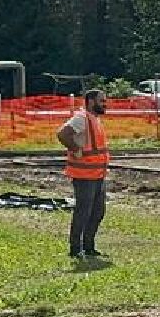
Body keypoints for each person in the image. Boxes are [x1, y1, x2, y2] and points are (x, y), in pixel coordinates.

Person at [56, 88, 110, 260]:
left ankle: (88, 246)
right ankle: (75, 248)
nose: (105, 104)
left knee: (98, 211)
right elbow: (62, 134)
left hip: (97, 174)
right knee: (83, 211)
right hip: (84, 175)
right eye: (102, 101)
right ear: (91, 102)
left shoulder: (95, 119)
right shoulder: (82, 118)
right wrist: (75, 148)